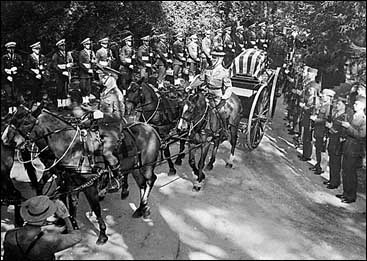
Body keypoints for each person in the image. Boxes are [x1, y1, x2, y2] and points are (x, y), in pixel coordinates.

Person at [3, 195, 81, 261]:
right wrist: (66, 216)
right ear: (45, 217)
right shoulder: (50, 239)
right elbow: (76, 237)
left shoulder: (10, 234)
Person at [91, 66, 129, 198]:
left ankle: (118, 177)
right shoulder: (105, 92)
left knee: (107, 152)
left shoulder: (116, 94)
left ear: (111, 78)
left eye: (103, 77)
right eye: (100, 77)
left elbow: (119, 116)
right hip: (101, 126)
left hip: (112, 129)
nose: (101, 79)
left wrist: (102, 115)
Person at [336, 95, 366, 203]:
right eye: (355, 103)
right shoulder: (355, 116)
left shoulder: (363, 119)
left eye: (357, 104)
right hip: (348, 146)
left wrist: (349, 127)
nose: (354, 105)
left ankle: (350, 196)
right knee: (345, 170)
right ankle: (345, 193)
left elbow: (361, 135)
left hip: (354, 149)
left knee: (350, 172)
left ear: (363, 106)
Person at [324, 94, 351, 189]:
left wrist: (331, 127)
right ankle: (331, 179)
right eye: (337, 104)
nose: (336, 106)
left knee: (335, 163)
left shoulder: (344, 117)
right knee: (331, 161)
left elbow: (343, 132)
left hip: (337, 143)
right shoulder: (336, 113)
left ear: (344, 105)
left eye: (339, 104)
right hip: (332, 140)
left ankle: (335, 182)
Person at [310, 88, 335, 174]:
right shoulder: (323, 104)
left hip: (323, 131)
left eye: (323, 96)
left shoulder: (328, 107)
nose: (322, 97)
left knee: (321, 150)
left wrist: (316, 120)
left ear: (328, 97)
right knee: (317, 148)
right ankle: (317, 164)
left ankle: (321, 167)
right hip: (318, 129)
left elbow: (326, 120)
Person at [1, 41, 24, 114]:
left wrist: (16, 68)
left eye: (13, 48)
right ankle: (10, 110)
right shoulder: (4, 58)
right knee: (9, 93)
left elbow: (22, 67)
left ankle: (15, 109)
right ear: (7, 49)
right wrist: (7, 75)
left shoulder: (18, 57)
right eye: (10, 48)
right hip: (7, 79)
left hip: (16, 78)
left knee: (16, 93)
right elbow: (2, 68)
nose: (11, 50)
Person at [51, 39, 72, 110]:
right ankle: (60, 105)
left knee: (65, 89)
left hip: (66, 73)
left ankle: (65, 104)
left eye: (64, 45)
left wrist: (69, 65)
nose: (64, 47)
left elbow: (69, 62)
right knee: (59, 89)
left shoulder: (66, 54)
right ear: (58, 47)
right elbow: (54, 66)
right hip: (59, 74)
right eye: (62, 46)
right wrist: (62, 72)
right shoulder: (56, 55)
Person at [25, 42, 46, 107]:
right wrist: (35, 74)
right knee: (33, 92)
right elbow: (27, 68)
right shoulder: (30, 57)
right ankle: (31, 107)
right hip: (33, 78)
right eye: (36, 49)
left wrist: (42, 71)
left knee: (40, 91)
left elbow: (45, 65)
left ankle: (39, 106)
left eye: (39, 49)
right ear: (33, 49)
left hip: (41, 77)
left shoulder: (42, 56)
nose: (38, 50)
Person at [79, 37, 96, 105]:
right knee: (83, 86)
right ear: (84, 45)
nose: (88, 46)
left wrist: (93, 62)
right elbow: (80, 63)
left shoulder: (92, 52)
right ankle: (84, 100)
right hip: (83, 72)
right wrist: (87, 70)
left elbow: (94, 61)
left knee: (88, 87)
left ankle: (87, 100)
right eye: (87, 44)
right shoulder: (82, 53)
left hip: (90, 71)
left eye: (89, 44)